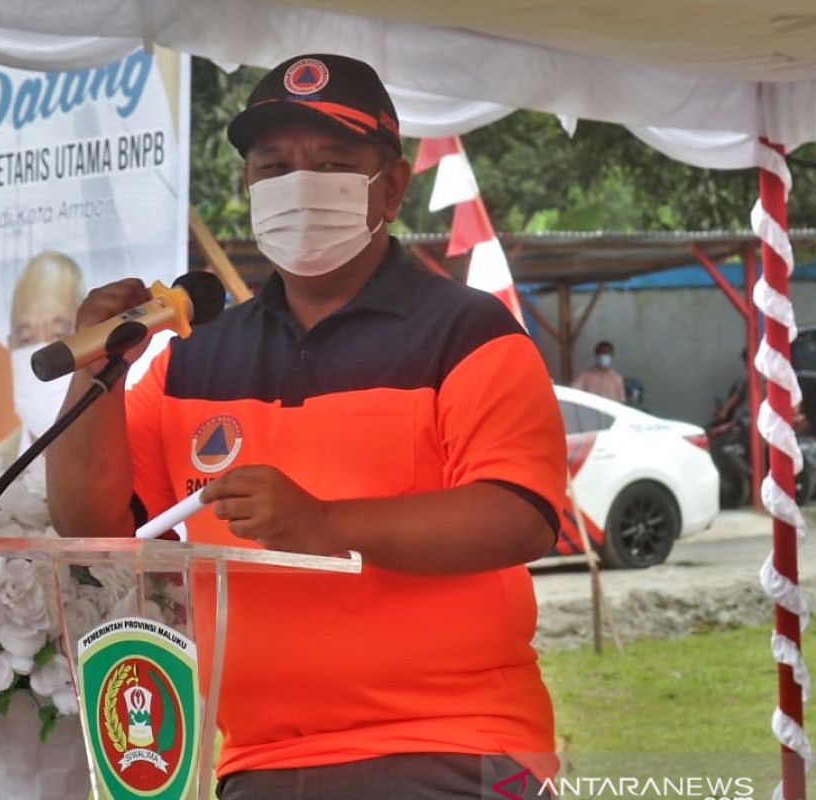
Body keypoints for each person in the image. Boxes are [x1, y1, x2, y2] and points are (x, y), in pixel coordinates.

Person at [46, 54, 566, 799]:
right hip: (256, 763)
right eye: (274, 165)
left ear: (390, 185)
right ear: (247, 187)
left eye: (331, 162)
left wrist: (324, 522)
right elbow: (94, 524)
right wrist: (99, 370)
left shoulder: (470, 333)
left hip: (455, 747)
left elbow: (520, 516)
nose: (299, 185)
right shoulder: (192, 358)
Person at [0, 250, 84, 465]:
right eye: (26, 339)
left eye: (58, 336)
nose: (41, 354)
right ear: (10, 346)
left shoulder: (123, 458)